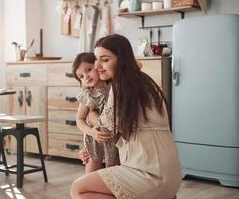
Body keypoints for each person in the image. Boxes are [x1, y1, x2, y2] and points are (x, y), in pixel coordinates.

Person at [70, 34, 182, 199]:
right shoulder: (141, 80)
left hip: (149, 172)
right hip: (168, 173)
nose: (97, 66)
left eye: (105, 60)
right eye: (96, 59)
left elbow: (103, 130)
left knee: (79, 189)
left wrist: (92, 115)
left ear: (121, 60)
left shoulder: (121, 87)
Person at [72, 52, 119, 173]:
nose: (86, 77)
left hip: (114, 139)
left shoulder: (114, 85)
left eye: (88, 70)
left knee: (114, 173)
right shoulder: (87, 95)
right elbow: (79, 119)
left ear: (97, 65)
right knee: (90, 174)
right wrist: (91, 132)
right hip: (94, 138)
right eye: (81, 76)